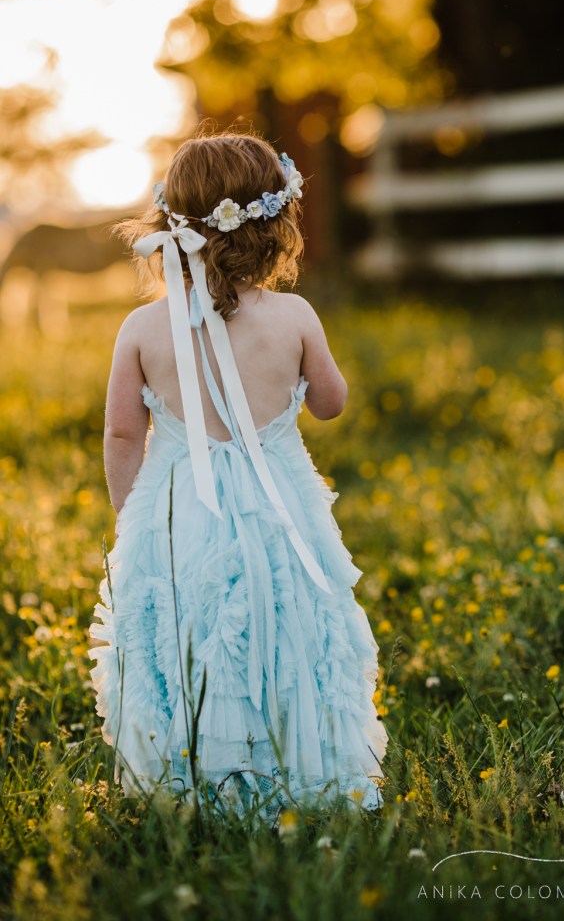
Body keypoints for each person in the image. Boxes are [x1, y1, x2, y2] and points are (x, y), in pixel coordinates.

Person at [89, 131, 388, 822]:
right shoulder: (295, 316)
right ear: (277, 225)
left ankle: (191, 775)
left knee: (187, 624)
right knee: (288, 619)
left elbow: (122, 432)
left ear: (170, 224)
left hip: (178, 506)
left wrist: (133, 518)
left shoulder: (141, 327)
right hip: (278, 504)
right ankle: (297, 761)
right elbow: (331, 403)